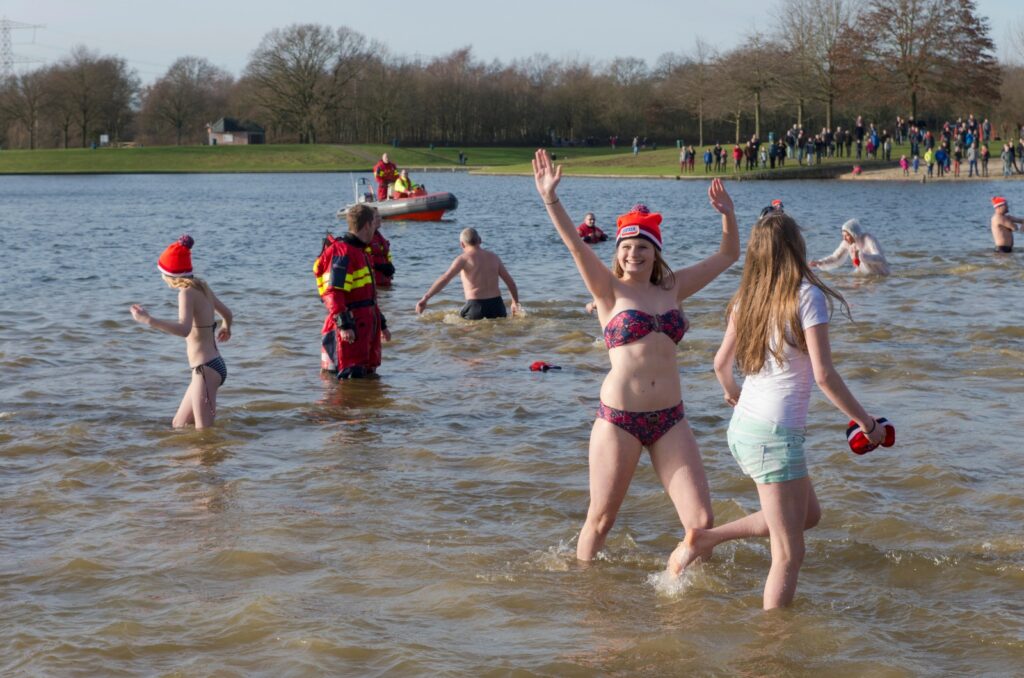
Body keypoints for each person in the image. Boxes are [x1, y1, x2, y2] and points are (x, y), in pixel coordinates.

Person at [666, 209, 884, 609]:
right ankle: (771, 652)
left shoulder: (747, 297)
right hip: (774, 437)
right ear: (796, 247)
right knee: (788, 555)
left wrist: (733, 394)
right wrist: (865, 422)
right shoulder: (806, 295)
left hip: (745, 426)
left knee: (808, 515)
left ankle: (705, 538)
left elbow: (720, 364)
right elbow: (824, 376)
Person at [531, 148, 740, 562]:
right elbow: (575, 247)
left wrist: (727, 214)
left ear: (655, 251)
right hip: (619, 420)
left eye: (643, 245)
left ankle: (697, 600)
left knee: (702, 521)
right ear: (619, 250)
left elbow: (728, 255)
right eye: (627, 245)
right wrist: (551, 199)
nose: (634, 253)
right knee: (601, 520)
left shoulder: (673, 288)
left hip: (670, 420)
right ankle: (587, 599)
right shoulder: (608, 290)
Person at [129, 235, 233, 429]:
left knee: (204, 433)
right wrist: (227, 326)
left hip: (205, 368)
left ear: (171, 275)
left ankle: (215, 457)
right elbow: (227, 313)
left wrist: (148, 320)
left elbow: (184, 329)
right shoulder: (202, 287)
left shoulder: (185, 293)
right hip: (211, 366)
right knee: (179, 424)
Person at [314, 204, 391, 379]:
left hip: (365, 325)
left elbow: (366, 295)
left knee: (365, 380)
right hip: (348, 330)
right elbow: (333, 292)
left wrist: (382, 323)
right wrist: (344, 324)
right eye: (374, 223)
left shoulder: (360, 251)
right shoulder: (342, 253)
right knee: (347, 380)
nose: (376, 228)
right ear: (366, 225)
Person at [415, 227, 521, 320]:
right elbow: (511, 283)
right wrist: (514, 303)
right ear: (480, 240)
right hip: (498, 307)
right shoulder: (494, 257)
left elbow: (445, 279)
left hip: (476, 307)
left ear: (462, 244)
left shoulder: (463, 259)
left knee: (468, 339)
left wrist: (425, 298)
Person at [810, 219, 890, 276]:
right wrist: (819, 262)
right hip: (863, 272)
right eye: (843, 235)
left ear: (854, 233)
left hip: (880, 273)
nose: (844, 238)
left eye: (847, 235)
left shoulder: (867, 238)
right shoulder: (846, 243)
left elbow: (880, 258)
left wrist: (862, 256)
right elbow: (835, 257)